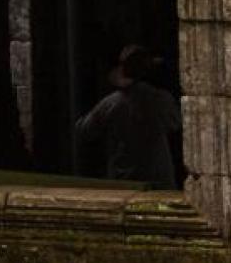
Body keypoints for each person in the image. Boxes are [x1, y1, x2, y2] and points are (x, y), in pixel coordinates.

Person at [75, 44, 182, 188]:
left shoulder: (112, 103)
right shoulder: (162, 99)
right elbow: (175, 125)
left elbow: (85, 129)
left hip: (125, 180)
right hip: (160, 177)